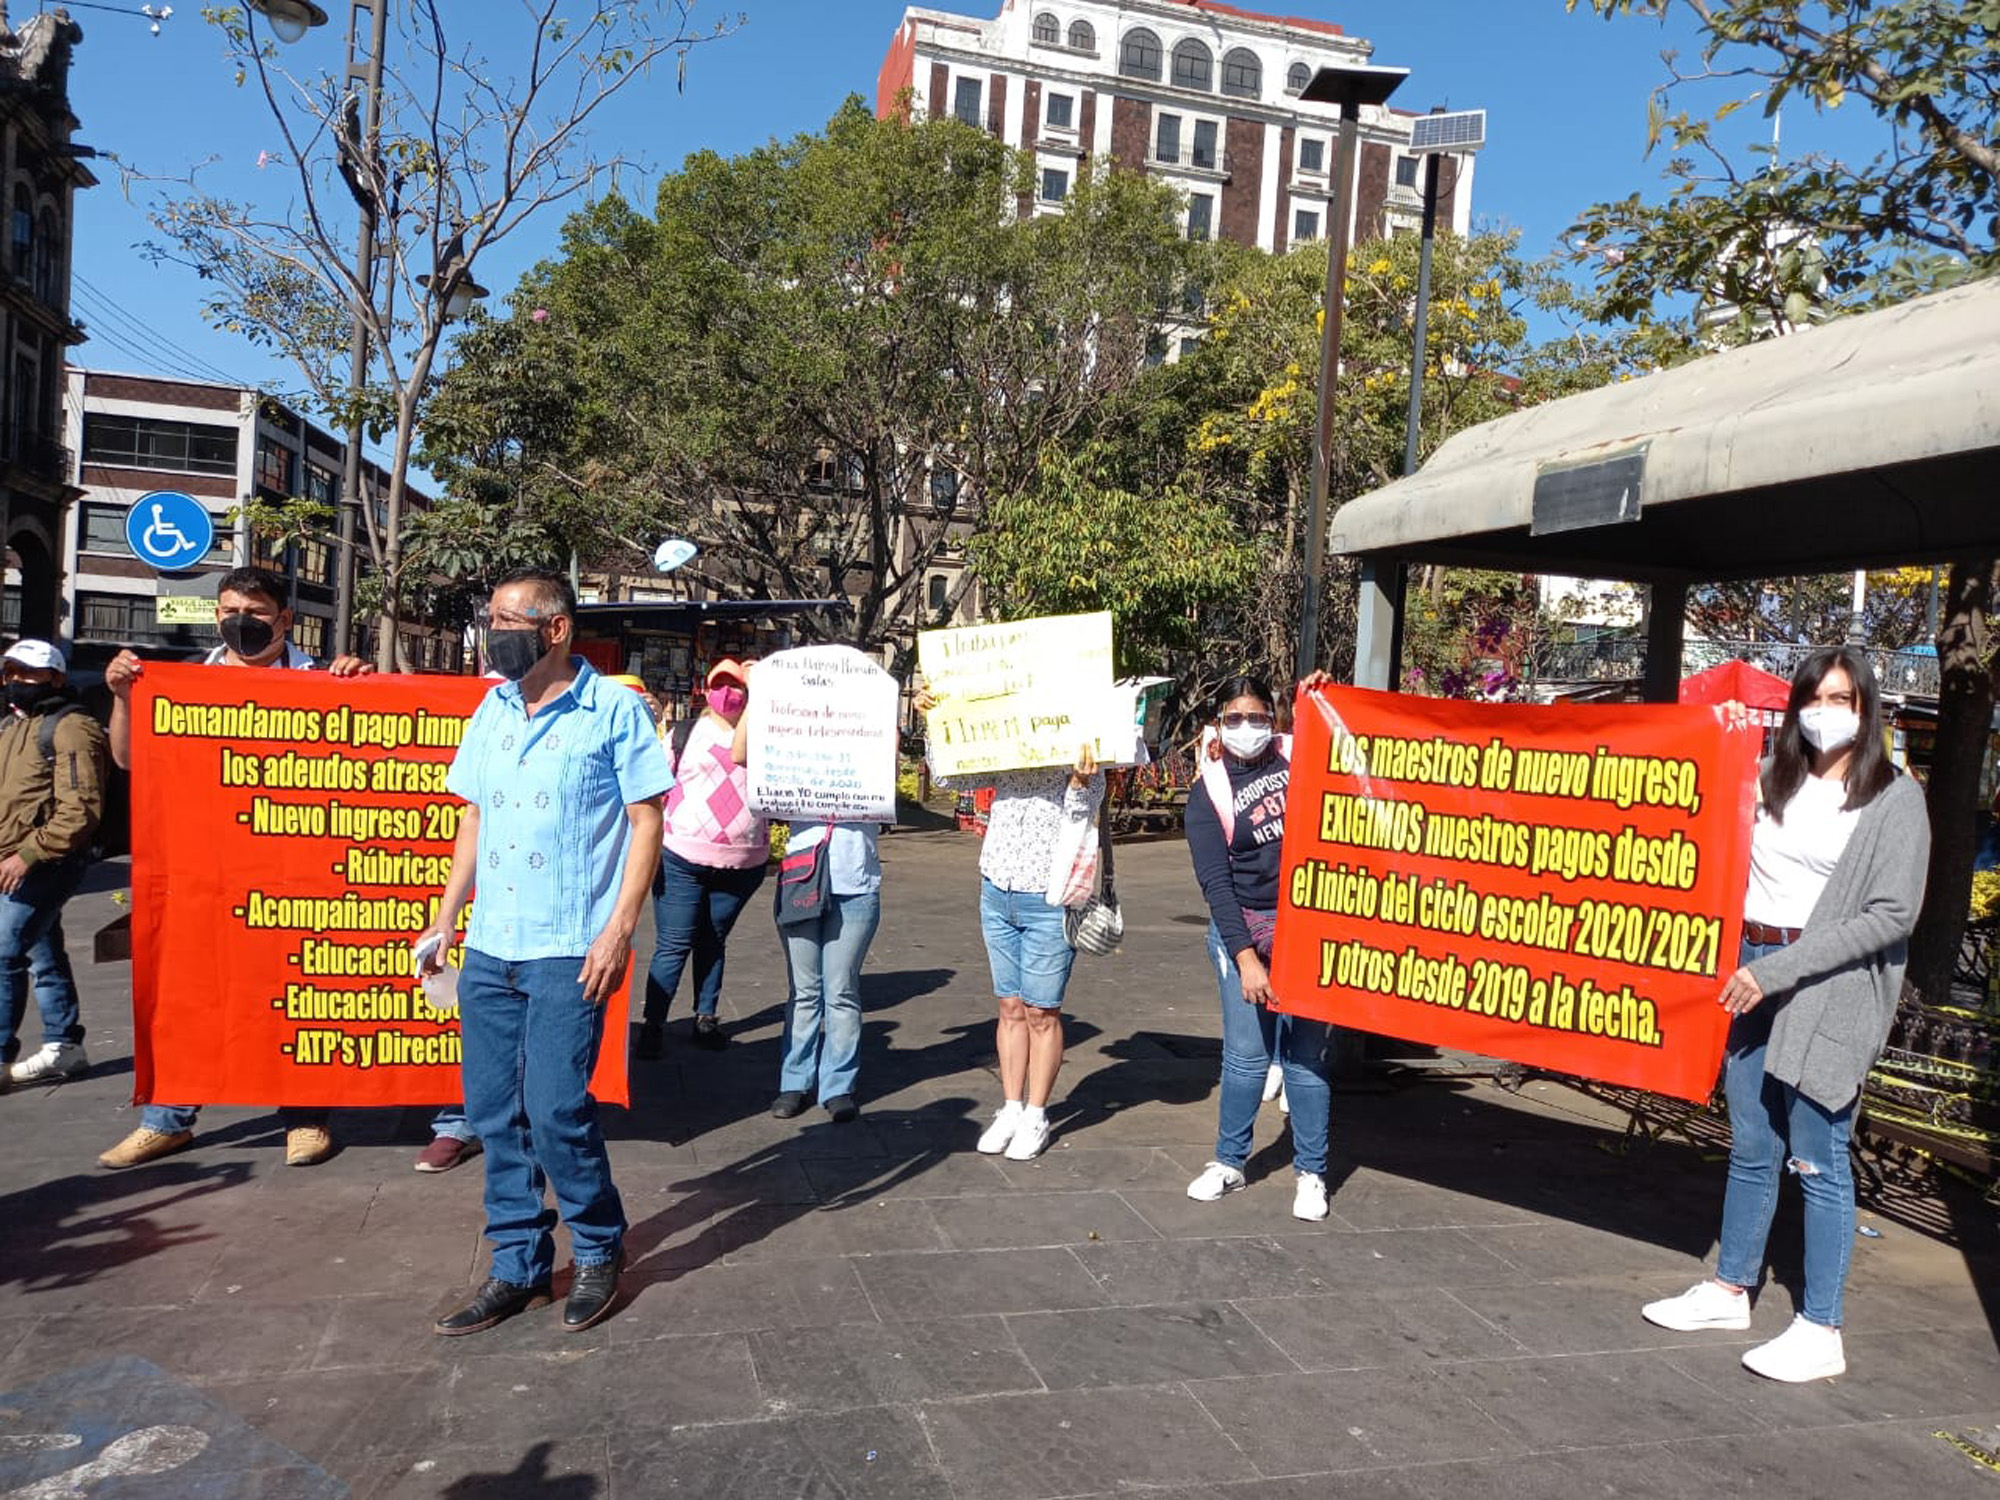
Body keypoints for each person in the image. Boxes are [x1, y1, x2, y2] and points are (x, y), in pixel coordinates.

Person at [1642, 646, 1929, 1382]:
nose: (1825, 712)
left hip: (1827, 985)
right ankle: (1730, 1288)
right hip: (1752, 972)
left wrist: (1776, 973)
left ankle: (1821, 1327)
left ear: (1866, 710)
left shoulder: (1894, 799)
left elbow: (1890, 915)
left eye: (1841, 700)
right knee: (1751, 1142)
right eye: (1813, 698)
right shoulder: (1773, 776)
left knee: (1817, 1154)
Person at [420, 568, 670, 1336]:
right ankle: (518, 1265)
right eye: (491, 617)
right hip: (492, 947)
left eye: (506, 619)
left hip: (571, 947)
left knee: (556, 1108)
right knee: (495, 1114)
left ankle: (597, 1247)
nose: (492, 631)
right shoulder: (491, 708)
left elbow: (647, 821)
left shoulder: (613, 711)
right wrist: (446, 918)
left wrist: (619, 930)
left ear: (554, 629)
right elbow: (473, 819)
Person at [97, 566, 373, 1170]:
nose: (239, 623)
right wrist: (123, 698)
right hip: (206, 871)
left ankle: (305, 1118)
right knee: (191, 993)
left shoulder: (322, 681)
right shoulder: (184, 683)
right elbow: (128, 758)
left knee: (298, 992)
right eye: (228, 611)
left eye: (254, 613)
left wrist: (362, 689)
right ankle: (167, 1120)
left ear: (284, 620)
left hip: (297, 873)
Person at [917, 688, 1103, 1162]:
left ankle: (1037, 1112)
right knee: (1010, 1006)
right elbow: (951, 777)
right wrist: (937, 724)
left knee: (1042, 1011)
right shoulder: (1004, 742)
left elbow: (1084, 813)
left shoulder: (1080, 741)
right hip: (997, 886)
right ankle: (1012, 1106)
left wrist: (1081, 780)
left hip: (1049, 895)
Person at [1181, 674, 1334, 1222]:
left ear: (1274, 719)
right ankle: (1230, 1161)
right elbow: (1217, 885)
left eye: (1258, 717)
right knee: (1246, 1057)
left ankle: (1311, 1172)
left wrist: (1323, 695)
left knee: (1305, 1057)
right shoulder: (1209, 791)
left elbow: (1348, 742)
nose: (1247, 726)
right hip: (1242, 929)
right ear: (1219, 724)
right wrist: (1246, 959)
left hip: (1307, 927)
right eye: (1235, 718)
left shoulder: (1301, 756)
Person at [636, 658, 768, 1058]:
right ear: (707, 690)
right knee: (674, 943)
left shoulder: (768, 733)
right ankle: (653, 1025)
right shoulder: (686, 733)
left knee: (713, 939)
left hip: (743, 863)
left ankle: (705, 1017)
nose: (730, 693)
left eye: (738, 685)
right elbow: (651, 784)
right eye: (721, 684)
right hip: (682, 858)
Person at [0, 640, 107, 1089]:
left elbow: (80, 809)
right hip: (13, 860)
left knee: (5, 952)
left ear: (56, 678)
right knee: (43, 953)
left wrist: (27, 856)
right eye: (12, 672)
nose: (18, 681)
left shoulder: (71, 728)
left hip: (46, 862)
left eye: (29, 673)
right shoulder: (13, 725)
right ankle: (65, 1044)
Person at [769, 819, 883, 1124]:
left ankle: (838, 1085)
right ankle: (794, 1082)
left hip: (855, 885)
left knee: (841, 990)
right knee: (804, 991)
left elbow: (888, 803)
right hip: (801, 876)